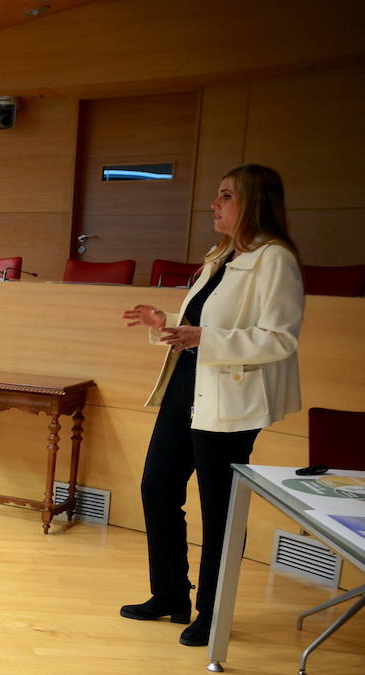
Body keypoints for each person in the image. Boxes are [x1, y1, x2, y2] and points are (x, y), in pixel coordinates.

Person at [119, 164, 304, 646]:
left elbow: (279, 339)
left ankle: (212, 612)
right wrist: (167, 322)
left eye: (225, 196)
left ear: (253, 203)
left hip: (232, 398)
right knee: (157, 487)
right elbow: (203, 324)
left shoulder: (274, 259)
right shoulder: (220, 256)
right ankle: (170, 595)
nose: (214, 205)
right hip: (188, 385)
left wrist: (206, 337)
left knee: (220, 509)